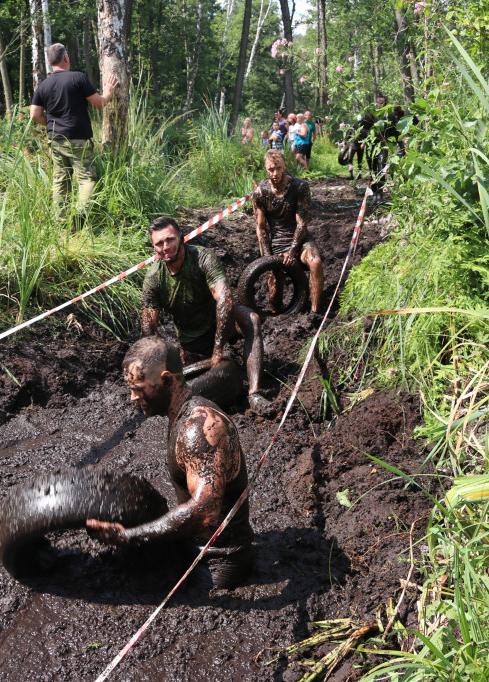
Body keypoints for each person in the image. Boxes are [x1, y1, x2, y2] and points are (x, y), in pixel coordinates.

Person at [86, 337, 255, 589]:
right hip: (192, 547)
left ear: (166, 380)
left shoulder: (198, 431)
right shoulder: (181, 415)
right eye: (130, 389)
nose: (133, 398)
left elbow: (203, 511)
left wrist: (129, 536)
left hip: (217, 561)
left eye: (140, 388)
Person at [141, 216, 273, 416]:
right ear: (154, 247)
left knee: (250, 319)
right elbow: (149, 328)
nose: (166, 247)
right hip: (192, 341)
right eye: (159, 243)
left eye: (170, 240)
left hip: (223, 323)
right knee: (193, 391)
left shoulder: (203, 258)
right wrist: (156, 369)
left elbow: (225, 300)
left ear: (181, 238)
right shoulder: (154, 278)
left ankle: (255, 393)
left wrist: (218, 348)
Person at [30, 43, 118, 227]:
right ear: (66, 58)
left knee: (60, 181)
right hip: (79, 138)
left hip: (56, 140)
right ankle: (79, 217)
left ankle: (61, 224)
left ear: (49, 62)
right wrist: (108, 92)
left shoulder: (44, 85)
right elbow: (98, 103)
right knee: (86, 179)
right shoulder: (78, 78)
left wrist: (53, 123)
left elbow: (35, 115)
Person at [252, 149, 324, 318]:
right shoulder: (260, 193)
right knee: (275, 292)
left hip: (300, 237)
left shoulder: (300, 187)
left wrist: (292, 251)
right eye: (270, 169)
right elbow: (261, 228)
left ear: (284, 166)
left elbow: (302, 223)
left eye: (278, 168)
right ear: (265, 168)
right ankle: (279, 316)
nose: (274, 173)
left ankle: (315, 312)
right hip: (276, 240)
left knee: (315, 262)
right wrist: (268, 258)